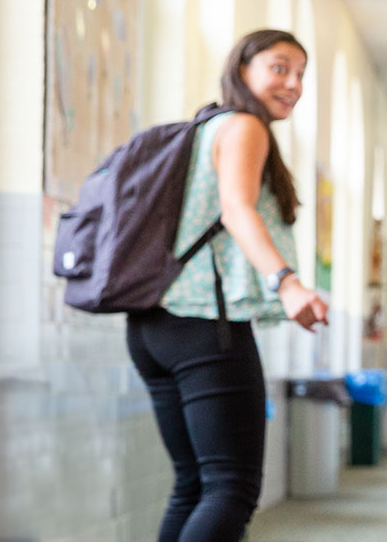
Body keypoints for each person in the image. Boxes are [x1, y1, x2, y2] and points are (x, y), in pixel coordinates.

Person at [126, 29, 328, 542]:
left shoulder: (206, 129)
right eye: (279, 68)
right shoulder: (243, 126)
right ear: (243, 70)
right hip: (203, 324)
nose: (293, 83)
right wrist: (286, 282)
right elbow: (237, 211)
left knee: (195, 485)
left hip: (155, 324)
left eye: (301, 73)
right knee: (232, 488)